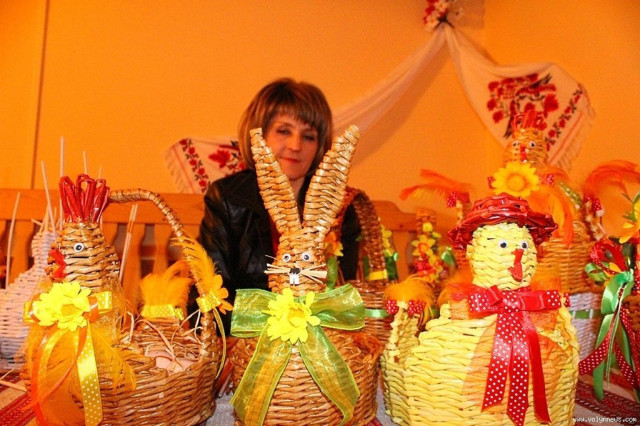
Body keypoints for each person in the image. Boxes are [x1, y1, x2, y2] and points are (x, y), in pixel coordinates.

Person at [197, 78, 361, 333]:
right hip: (242, 341)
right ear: (260, 134)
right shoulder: (227, 198)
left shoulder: (340, 207)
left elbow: (343, 298)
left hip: (319, 340)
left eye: (309, 136)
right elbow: (210, 296)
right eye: (284, 131)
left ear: (320, 146)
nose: (296, 146)